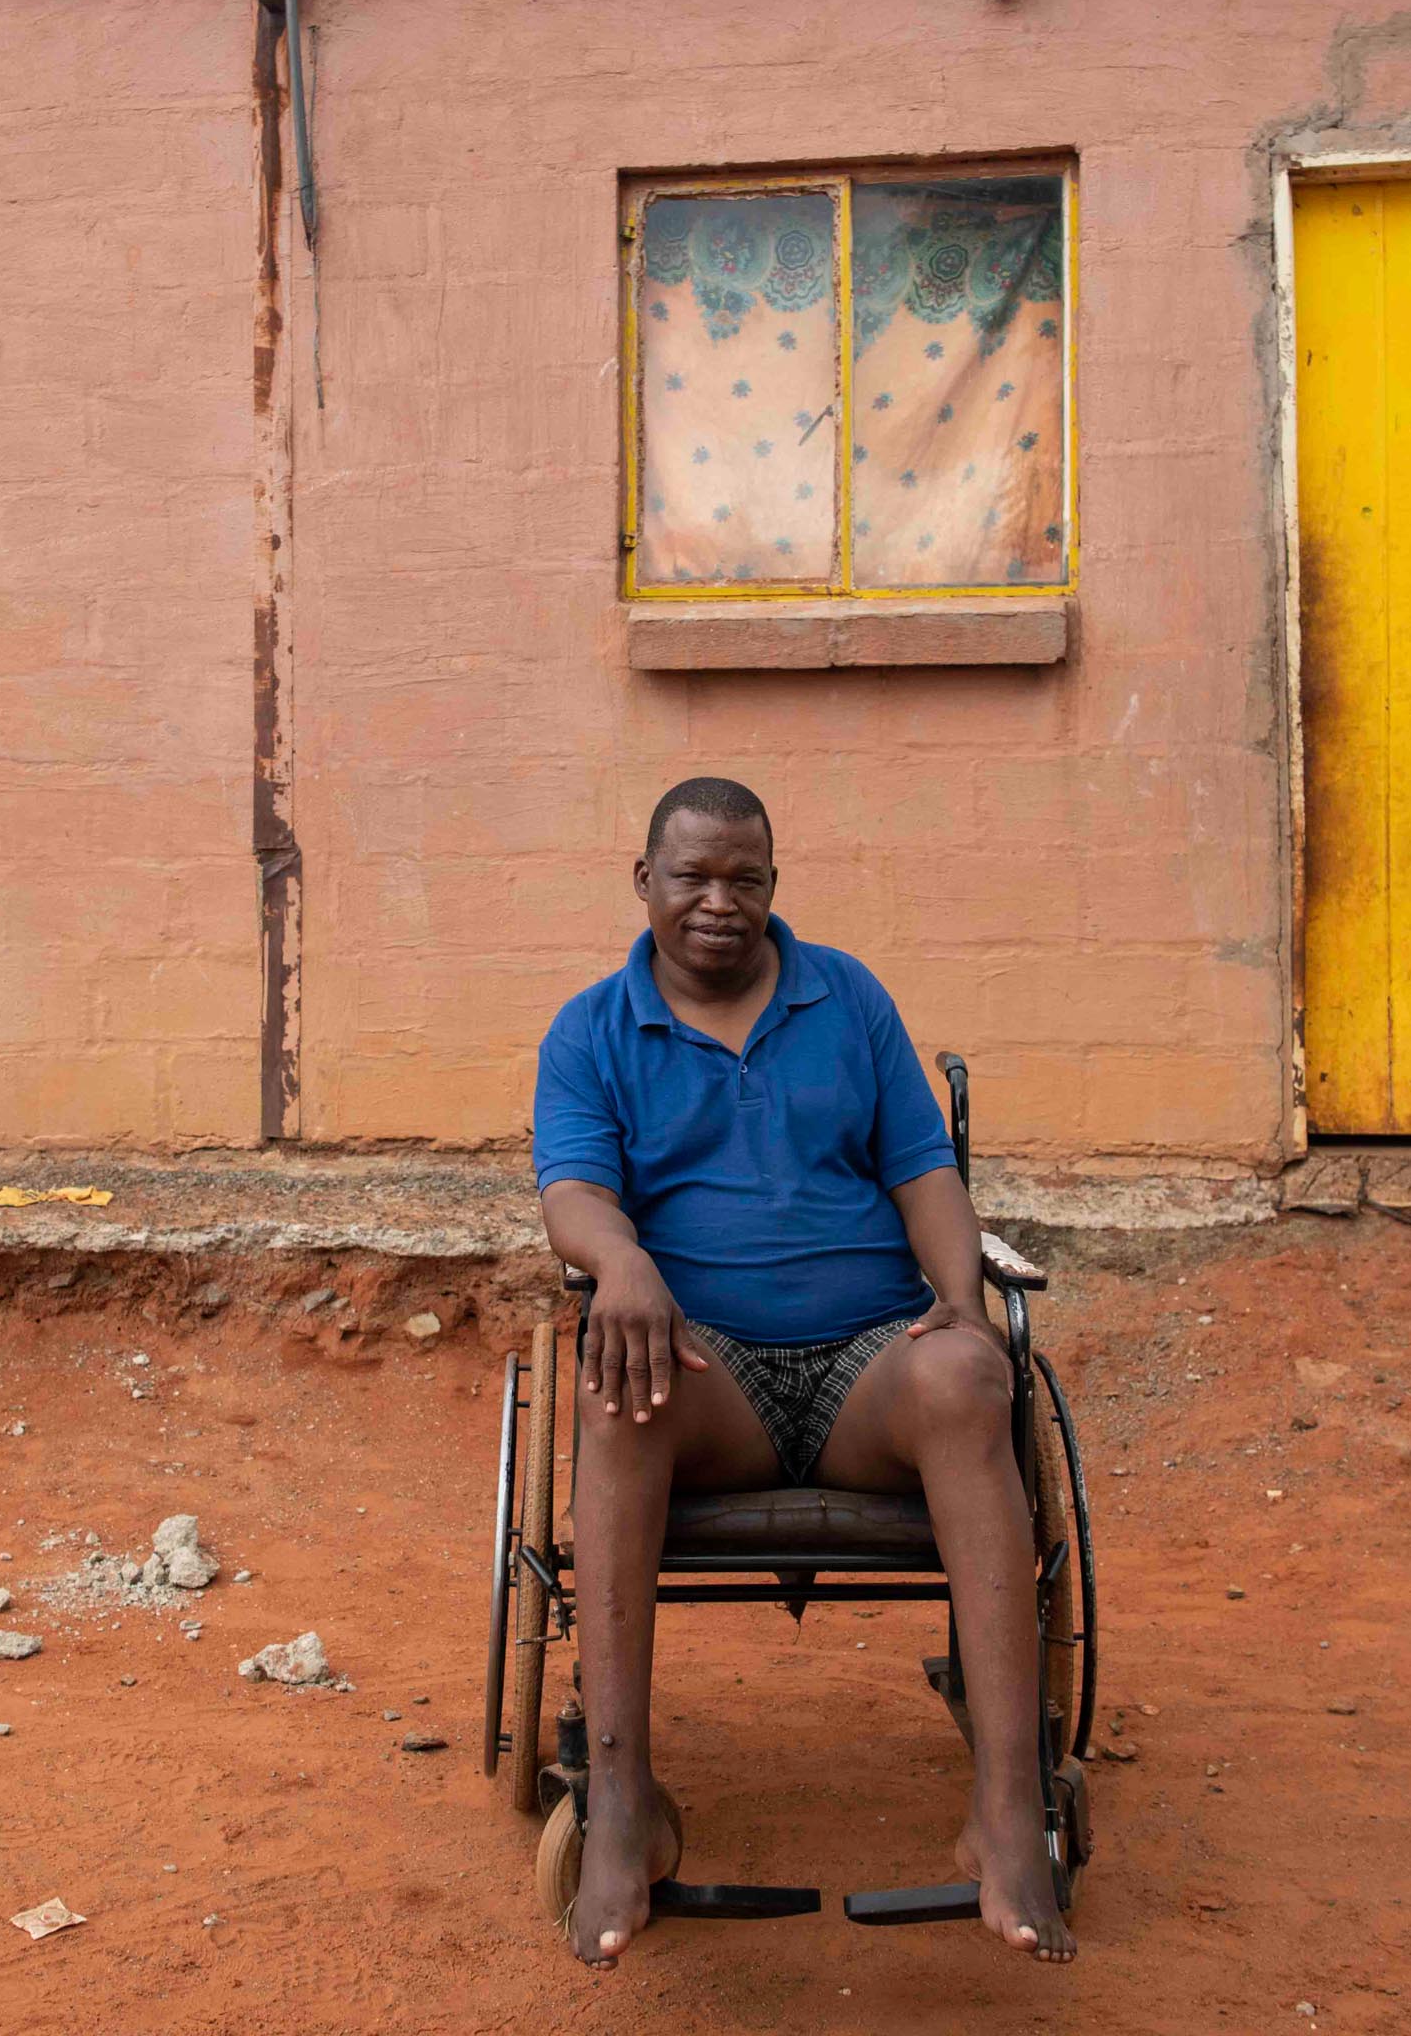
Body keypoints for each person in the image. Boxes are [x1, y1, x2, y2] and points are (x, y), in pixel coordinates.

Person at [531, 775, 1074, 1969]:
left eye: (747, 879)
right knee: (615, 1389)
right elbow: (572, 1186)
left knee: (973, 1382)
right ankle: (623, 1809)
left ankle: (1006, 1815)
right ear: (645, 884)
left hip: (866, 1364)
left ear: (774, 886)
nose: (721, 903)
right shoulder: (590, 1029)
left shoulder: (848, 998)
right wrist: (621, 1262)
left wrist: (956, 1302)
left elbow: (924, 1170)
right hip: (703, 1370)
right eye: (694, 878)